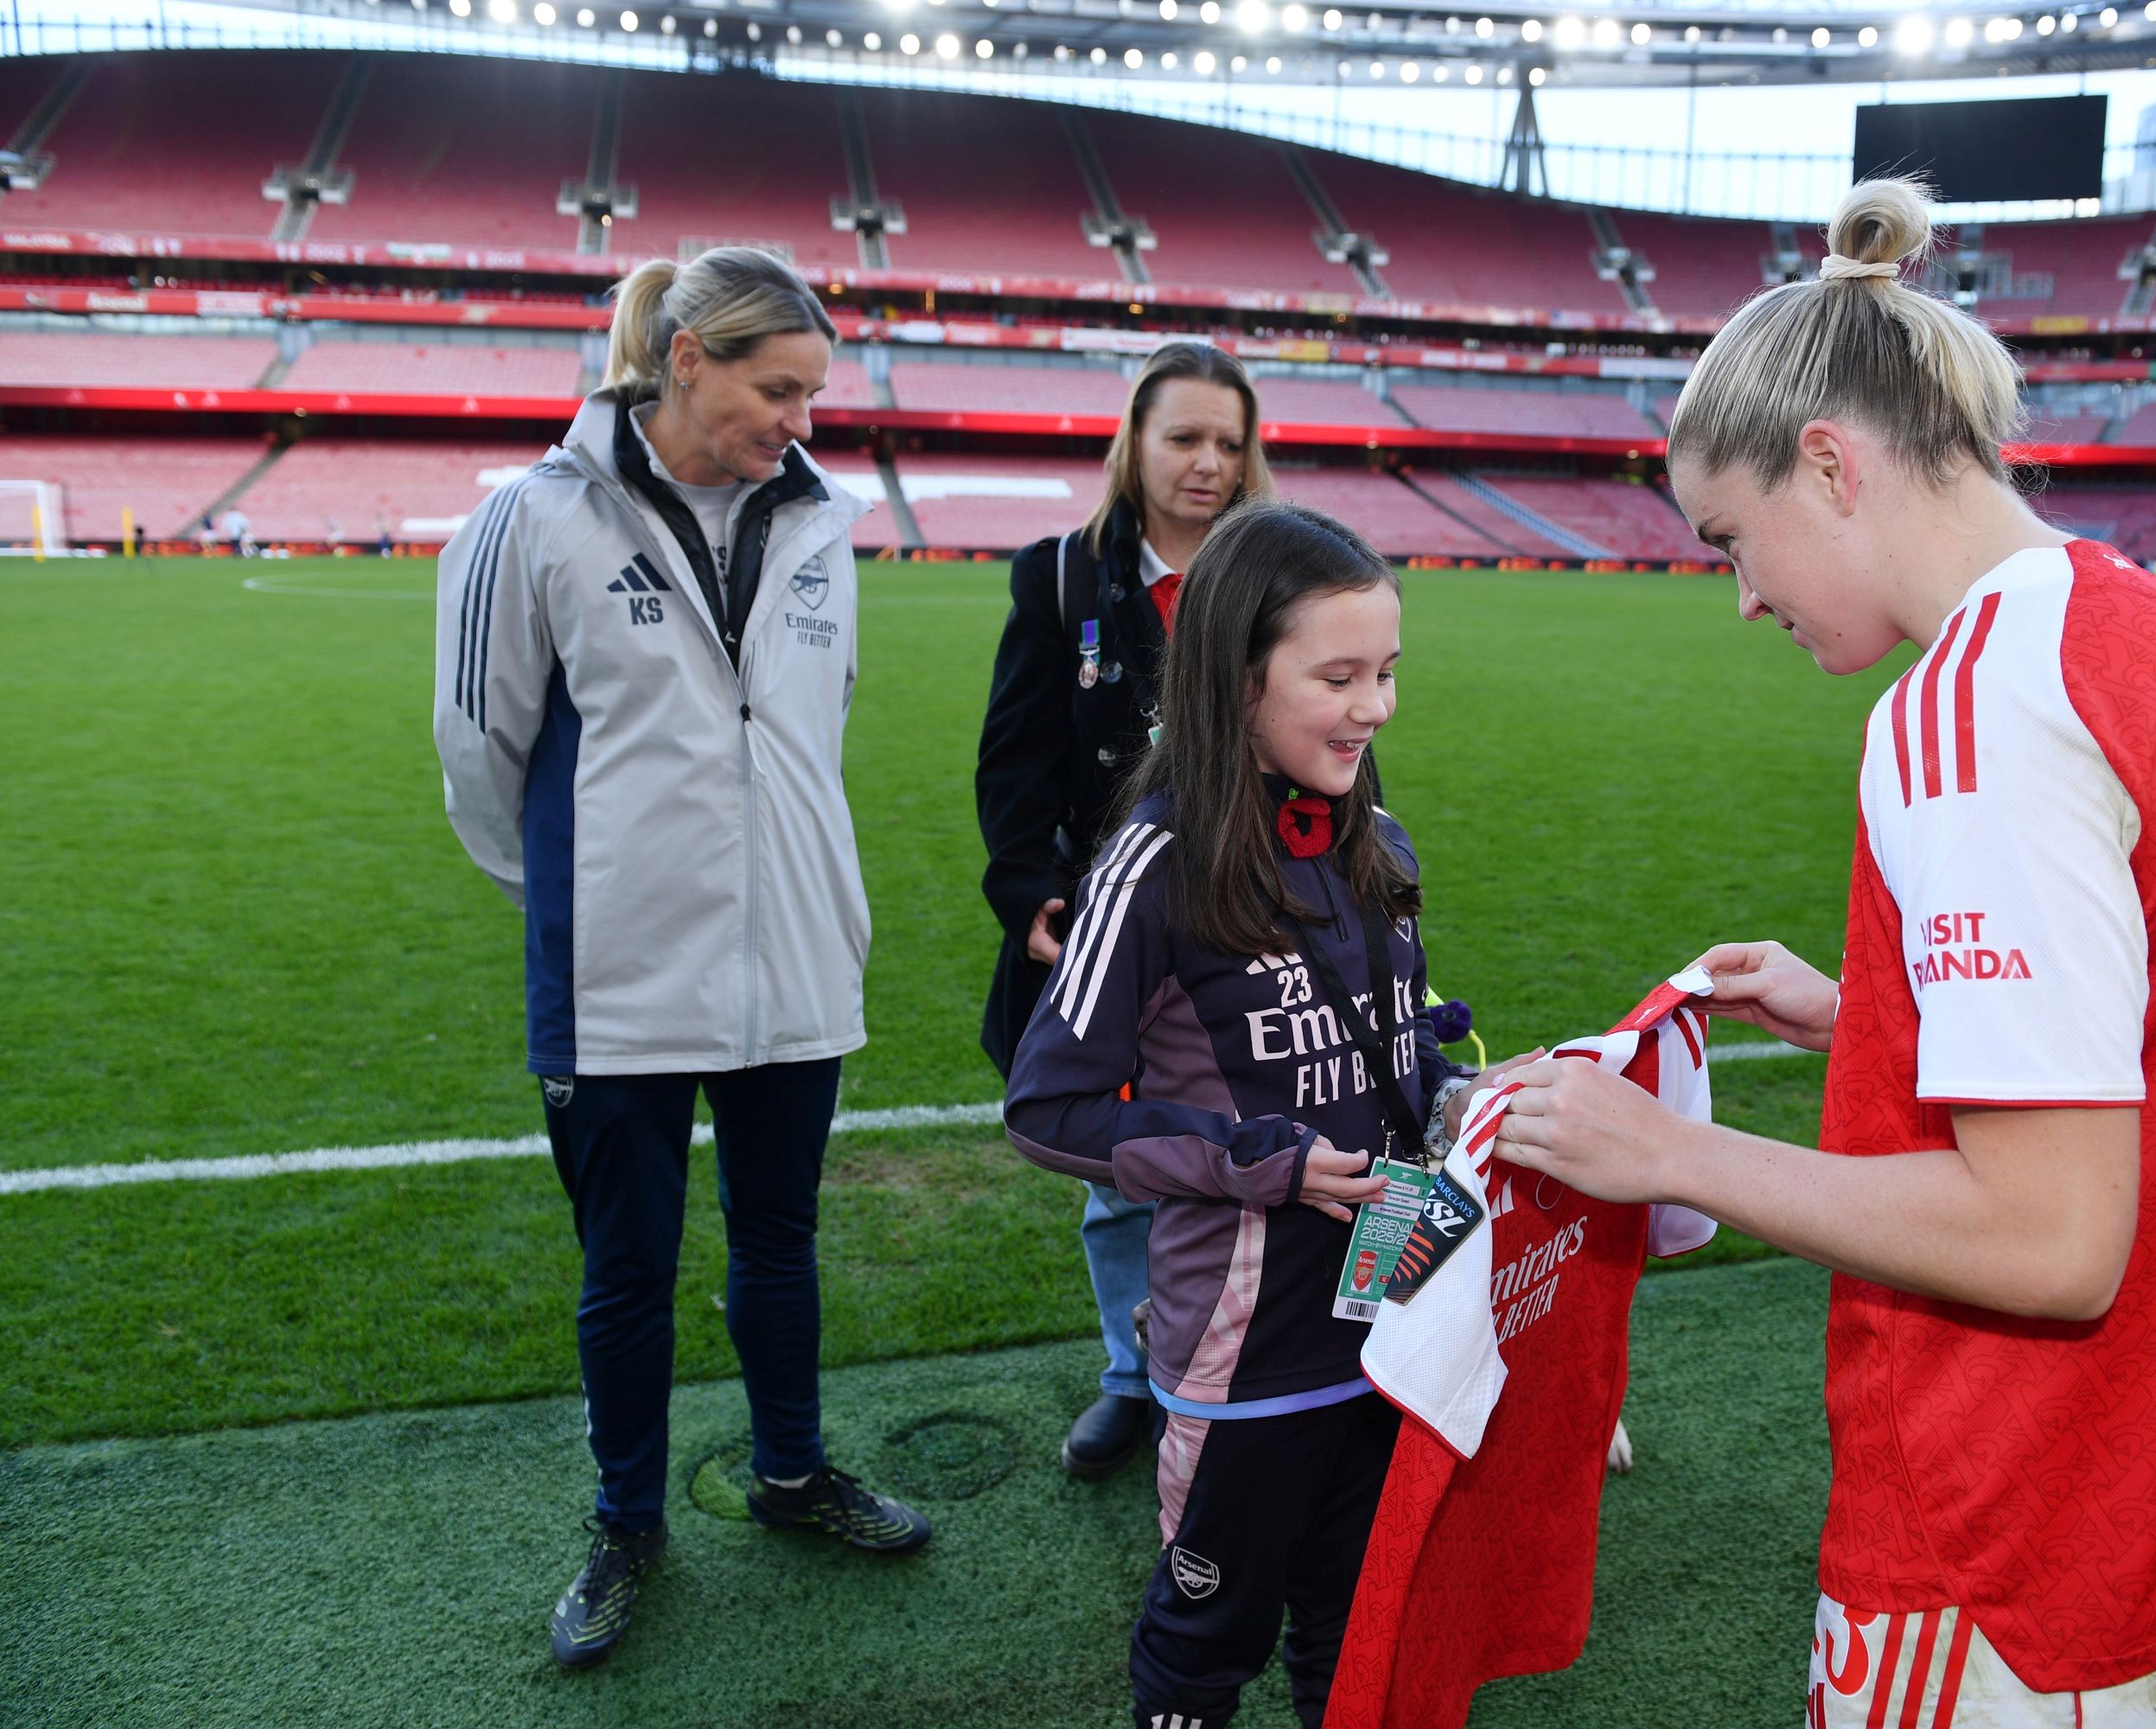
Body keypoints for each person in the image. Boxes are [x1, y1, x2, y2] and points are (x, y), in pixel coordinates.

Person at [1493, 178, 2156, 1729]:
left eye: (1732, 537)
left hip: (2016, 1503)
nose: (1742, 594)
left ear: (1827, 464)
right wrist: (1873, 1019)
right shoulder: (2146, 621)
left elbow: (2045, 1240)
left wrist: (1669, 1157)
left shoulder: (1971, 707)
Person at [432, 246, 932, 1674]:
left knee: (780, 1242)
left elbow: (815, 718)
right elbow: (481, 749)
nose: (801, 420)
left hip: (796, 960)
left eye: (814, 394)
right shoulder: (533, 518)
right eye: (777, 388)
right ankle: (625, 1522)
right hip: (615, 975)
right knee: (627, 1266)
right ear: (689, 358)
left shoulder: (823, 521)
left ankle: (791, 1473)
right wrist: (587, 900)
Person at [1004, 501, 1487, 1729]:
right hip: (1245, 1359)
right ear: (1235, 676)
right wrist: (1260, 1161)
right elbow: (1048, 1104)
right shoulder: (1155, 867)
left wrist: (1464, 1096)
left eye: (1386, 671)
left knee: (1356, 1619)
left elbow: (1395, 1062)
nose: (1374, 705)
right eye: (1337, 675)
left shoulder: (1377, 844)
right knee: (1205, 1637)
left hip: (1387, 1332)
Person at [976, 340, 1275, 1478]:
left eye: (1229, 444)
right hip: (1111, 932)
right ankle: (1129, 1376)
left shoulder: (1279, 574)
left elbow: (1345, 745)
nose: (1208, 464)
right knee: (1121, 1177)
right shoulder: (1060, 575)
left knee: (1258, 1156)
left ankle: (1235, 1366)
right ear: (1135, 443)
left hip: (1252, 929)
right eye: (1184, 438)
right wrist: (1029, 899)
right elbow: (1013, 765)